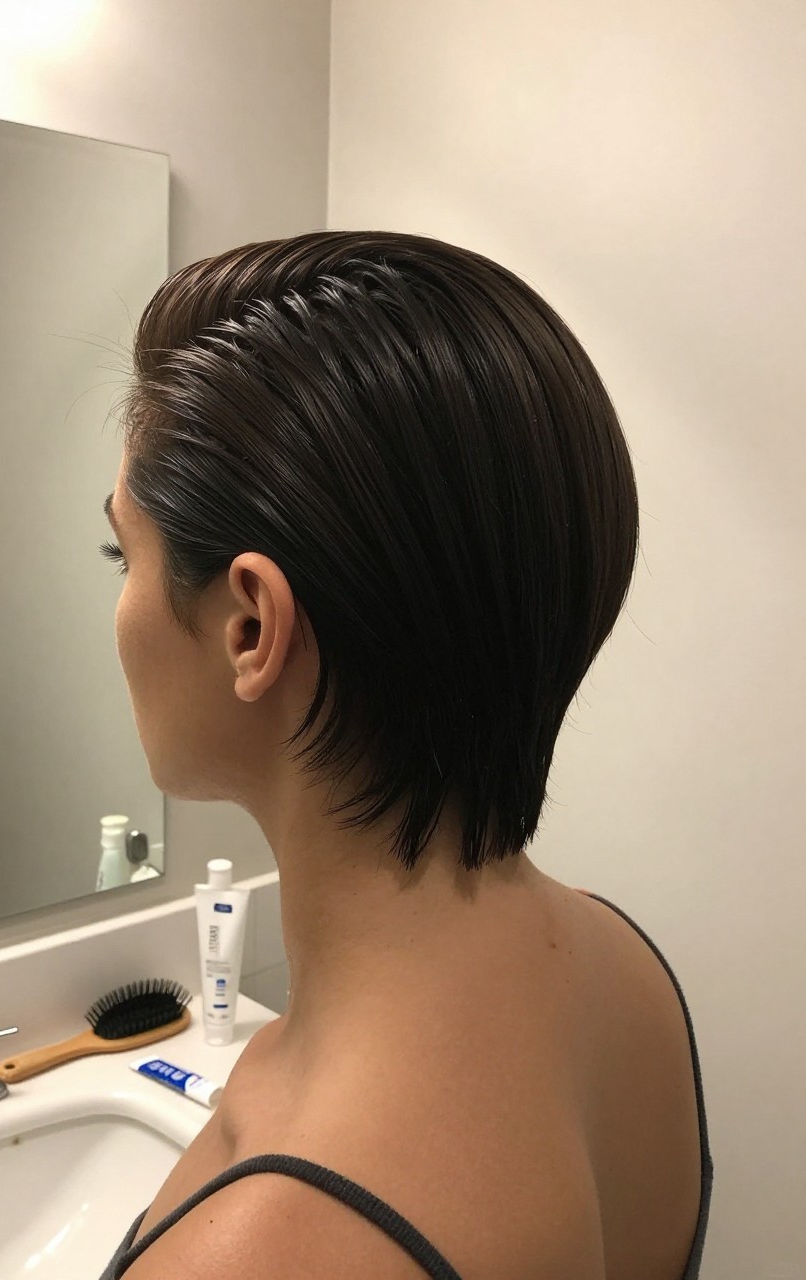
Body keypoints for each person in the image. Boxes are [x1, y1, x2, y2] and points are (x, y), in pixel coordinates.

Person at [97, 230, 712, 1279]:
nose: (116, 606)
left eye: (124, 552)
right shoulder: (627, 971)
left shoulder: (271, 1249)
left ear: (251, 626)